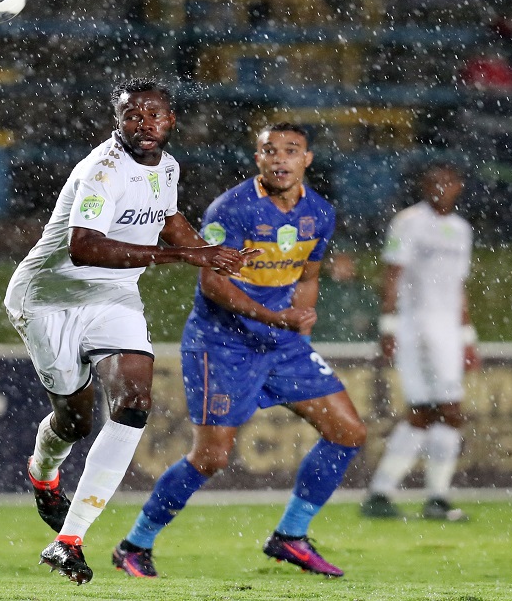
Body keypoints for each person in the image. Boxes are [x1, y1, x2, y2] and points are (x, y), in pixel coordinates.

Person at [4, 78, 252, 585]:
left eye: (153, 115)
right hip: (48, 300)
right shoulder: (102, 171)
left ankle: (68, 541)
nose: (144, 125)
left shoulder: (168, 167)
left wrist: (205, 251)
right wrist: (183, 256)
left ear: (170, 120)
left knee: (134, 403)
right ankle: (43, 474)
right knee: (74, 422)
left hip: (114, 296)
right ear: (117, 121)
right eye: (132, 116)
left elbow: (167, 215)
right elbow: (83, 247)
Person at [111, 122, 367, 579]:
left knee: (348, 432)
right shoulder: (231, 209)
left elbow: (307, 276)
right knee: (211, 458)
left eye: (291, 150)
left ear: (307, 159)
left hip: (282, 345)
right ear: (258, 159)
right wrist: (275, 317)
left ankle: (290, 536)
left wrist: (301, 321)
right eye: (270, 150)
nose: (280, 158)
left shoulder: (319, 213)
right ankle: (135, 545)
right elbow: (213, 283)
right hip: (222, 345)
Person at [359, 161, 479, 522]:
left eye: (448, 182)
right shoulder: (410, 222)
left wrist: (467, 336)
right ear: (425, 187)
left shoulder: (461, 230)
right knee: (446, 410)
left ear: (459, 186)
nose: (442, 188)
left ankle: (383, 494)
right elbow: (392, 274)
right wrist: (389, 326)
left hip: (448, 331)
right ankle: (435, 499)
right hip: (417, 326)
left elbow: (458, 287)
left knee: (427, 414)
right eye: (434, 182)